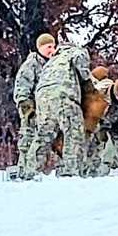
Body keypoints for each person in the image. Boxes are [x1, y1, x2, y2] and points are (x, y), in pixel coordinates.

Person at [22, 41, 93, 179]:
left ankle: (30, 173)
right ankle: (70, 173)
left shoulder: (50, 61)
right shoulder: (75, 51)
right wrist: (87, 82)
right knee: (73, 133)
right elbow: (81, 64)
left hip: (43, 98)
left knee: (43, 137)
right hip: (64, 95)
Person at [12, 33, 56, 177]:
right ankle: (23, 174)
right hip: (33, 114)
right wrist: (28, 111)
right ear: (40, 48)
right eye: (49, 47)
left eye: (54, 46)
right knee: (27, 144)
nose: (52, 50)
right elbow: (21, 90)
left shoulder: (54, 65)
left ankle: (37, 173)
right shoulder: (31, 65)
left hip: (48, 114)